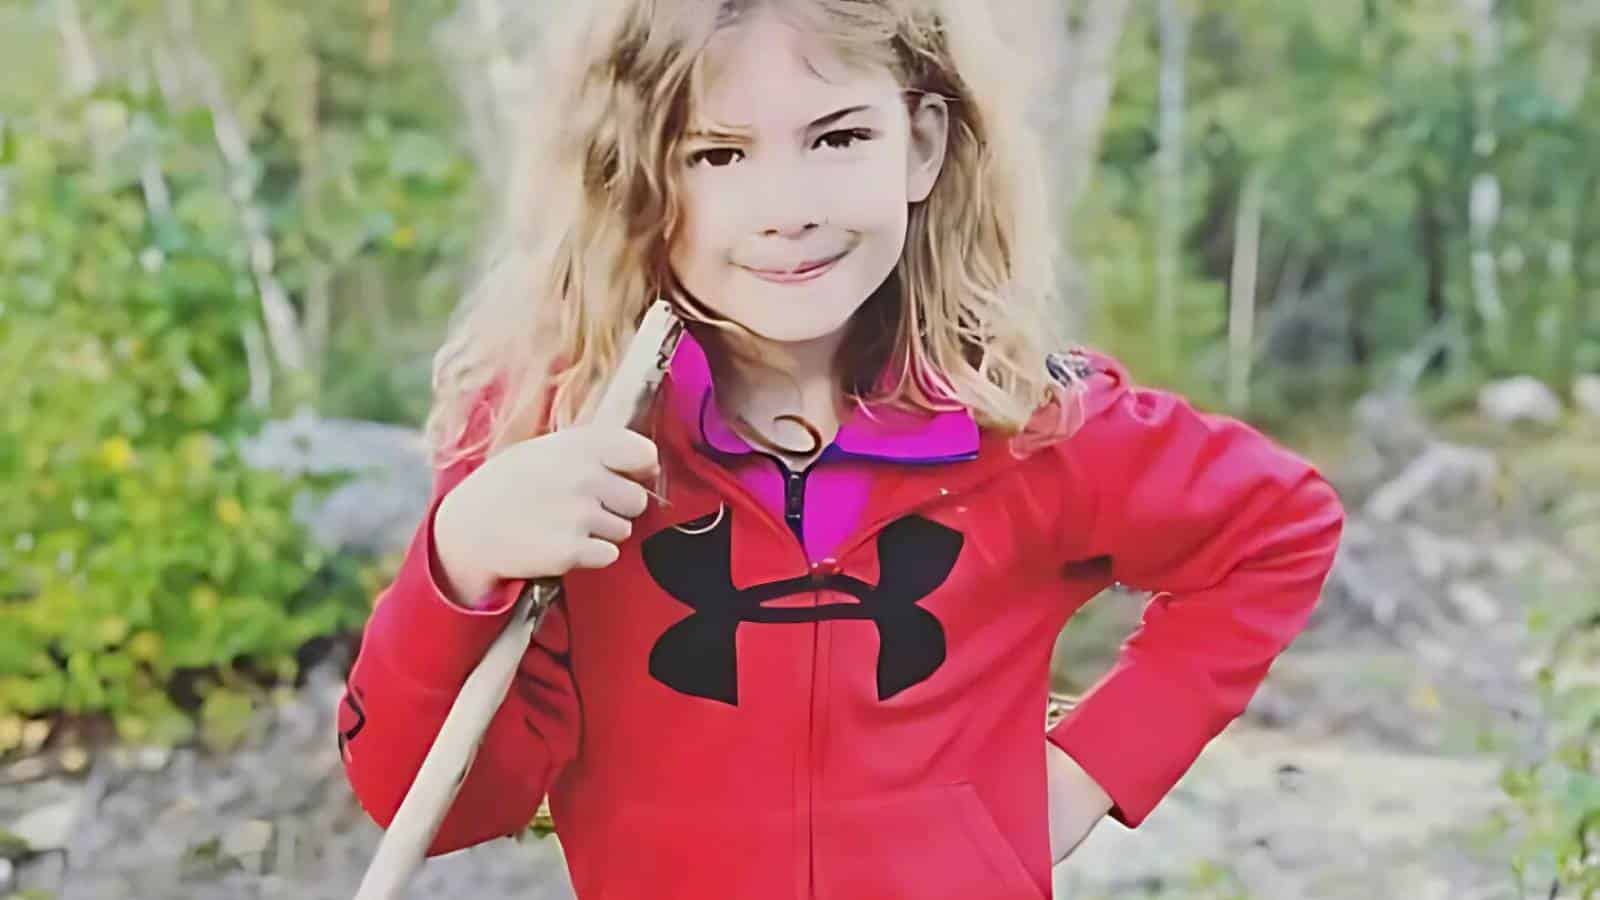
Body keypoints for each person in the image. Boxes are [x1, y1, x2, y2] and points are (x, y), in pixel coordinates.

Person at [336, 2, 1345, 898]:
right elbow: (443, 802)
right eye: (717, 154)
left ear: (920, 144)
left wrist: (1088, 773)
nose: (789, 207)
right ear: (635, 177)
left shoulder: (1026, 423)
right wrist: (461, 558)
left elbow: (1277, 527)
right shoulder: (560, 444)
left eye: (836, 137)